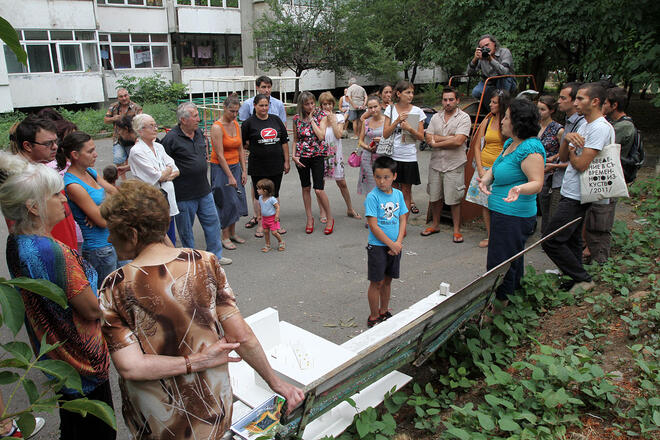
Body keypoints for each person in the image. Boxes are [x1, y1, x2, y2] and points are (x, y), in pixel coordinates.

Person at [98, 180, 304, 439]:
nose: (108, 237)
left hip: (159, 418)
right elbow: (241, 336)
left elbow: (131, 368)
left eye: (112, 230)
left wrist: (193, 362)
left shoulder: (114, 286)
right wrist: (275, 382)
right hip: (212, 404)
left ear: (132, 234)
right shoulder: (205, 262)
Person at [0, 152, 114, 440]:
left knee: (74, 425)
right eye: (55, 195)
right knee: (97, 431)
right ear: (33, 207)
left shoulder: (17, 241)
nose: (64, 200)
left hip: (58, 356)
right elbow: (90, 309)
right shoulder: (51, 251)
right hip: (82, 362)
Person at [541, 83, 614, 293]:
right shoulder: (584, 125)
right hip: (570, 190)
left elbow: (581, 164)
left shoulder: (600, 127)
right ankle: (575, 278)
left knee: (551, 240)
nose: (575, 102)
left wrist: (573, 151)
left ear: (595, 101)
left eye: (580, 99)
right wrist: (568, 141)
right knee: (571, 239)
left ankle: (583, 279)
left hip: (579, 195)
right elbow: (564, 155)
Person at [477, 99, 545, 304]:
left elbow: (537, 183)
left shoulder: (531, 149)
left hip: (514, 217)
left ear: (518, 122)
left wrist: (519, 188)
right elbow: (499, 167)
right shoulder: (511, 143)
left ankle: (498, 308)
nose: (502, 121)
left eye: (506, 117)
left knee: (500, 264)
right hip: (502, 214)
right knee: (512, 260)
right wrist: (487, 179)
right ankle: (511, 302)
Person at [161, 102, 231, 265]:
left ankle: (216, 257)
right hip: (184, 194)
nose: (199, 119)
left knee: (213, 223)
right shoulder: (171, 138)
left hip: (204, 190)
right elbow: (164, 164)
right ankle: (190, 261)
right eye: (195, 116)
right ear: (183, 120)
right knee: (186, 231)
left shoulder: (198, 132)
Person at [58, 131, 119, 286]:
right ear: (75, 155)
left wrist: (100, 208)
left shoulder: (90, 172)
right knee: (106, 295)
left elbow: (117, 193)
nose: (96, 154)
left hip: (113, 242)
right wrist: (102, 212)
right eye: (90, 151)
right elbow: (103, 222)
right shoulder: (73, 185)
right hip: (99, 250)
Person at [583, 86, 636, 263]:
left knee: (600, 223)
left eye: (604, 103)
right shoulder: (611, 125)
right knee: (593, 220)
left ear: (614, 105)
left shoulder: (621, 127)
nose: (601, 106)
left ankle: (599, 261)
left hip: (608, 180)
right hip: (601, 178)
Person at [9, 115, 78, 250]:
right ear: (27, 145)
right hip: (49, 254)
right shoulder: (20, 181)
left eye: (55, 141)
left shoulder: (42, 169)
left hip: (64, 248)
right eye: (48, 143)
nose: (55, 147)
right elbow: (20, 230)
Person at [422, 87, 471, 243]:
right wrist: (447, 138)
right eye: (445, 100)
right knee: (435, 197)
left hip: (454, 164)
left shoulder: (464, 118)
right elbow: (428, 137)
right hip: (436, 163)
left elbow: (458, 141)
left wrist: (437, 142)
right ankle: (435, 224)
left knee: (454, 199)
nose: (448, 103)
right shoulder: (436, 117)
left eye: (451, 99)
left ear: (457, 100)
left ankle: (457, 230)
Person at [364, 156, 408, 328]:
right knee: (377, 282)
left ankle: (384, 311)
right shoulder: (372, 197)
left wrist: (398, 242)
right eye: (378, 177)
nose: (382, 181)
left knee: (388, 281)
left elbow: (403, 218)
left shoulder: (398, 194)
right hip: (378, 247)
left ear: (394, 176)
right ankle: (374, 315)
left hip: (395, 246)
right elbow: (373, 226)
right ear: (373, 176)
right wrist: (391, 244)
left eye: (386, 177)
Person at [465, 89, 511, 248]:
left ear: (502, 104)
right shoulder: (488, 120)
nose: (490, 105)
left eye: (494, 102)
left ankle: (502, 235)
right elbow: (477, 146)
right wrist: (479, 168)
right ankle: (491, 235)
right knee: (485, 203)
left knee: (500, 202)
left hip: (500, 169)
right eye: (490, 101)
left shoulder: (509, 122)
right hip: (483, 167)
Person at [241, 94, 290, 238]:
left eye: (266, 105)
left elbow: (284, 142)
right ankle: (261, 223)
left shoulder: (276, 120)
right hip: (258, 165)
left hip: (276, 164)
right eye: (261, 105)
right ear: (254, 106)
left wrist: (286, 161)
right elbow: (243, 144)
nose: (264, 108)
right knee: (260, 195)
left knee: (274, 194)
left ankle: (275, 223)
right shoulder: (248, 123)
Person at [128, 113, 180, 245]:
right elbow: (157, 176)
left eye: (155, 125)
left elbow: (176, 170)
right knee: (157, 241)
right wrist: (165, 173)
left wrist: (165, 174)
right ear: (140, 130)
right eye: (151, 126)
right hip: (151, 203)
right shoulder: (137, 151)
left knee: (170, 236)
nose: (155, 129)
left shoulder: (159, 147)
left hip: (167, 201)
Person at [383, 80, 426, 219]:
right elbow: (385, 134)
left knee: (406, 191)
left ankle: (403, 224)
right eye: (408, 92)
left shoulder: (417, 111)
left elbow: (421, 137)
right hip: (393, 155)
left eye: (412, 92)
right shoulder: (390, 109)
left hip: (409, 156)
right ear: (399, 93)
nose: (411, 95)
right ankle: (394, 221)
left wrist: (409, 128)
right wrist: (396, 122)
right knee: (394, 190)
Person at [292, 91, 334, 235]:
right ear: (301, 105)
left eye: (312, 103)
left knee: (319, 189)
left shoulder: (321, 116)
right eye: (307, 104)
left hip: (317, 155)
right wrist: (294, 155)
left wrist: (312, 121)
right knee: (305, 188)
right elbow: (296, 139)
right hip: (302, 157)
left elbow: (321, 136)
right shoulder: (296, 118)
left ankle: (329, 218)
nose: (310, 106)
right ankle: (309, 219)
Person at [210, 95, 248, 250]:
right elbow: (219, 154)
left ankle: (233, 232)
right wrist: (230, 176)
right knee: (225, 201)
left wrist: (244, 170)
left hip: (235, 166)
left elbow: (240, 148)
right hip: (221, 168)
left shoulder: (236, 124)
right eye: (231, 111)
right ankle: (224, 235)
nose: (234, 114)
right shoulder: (217, 127)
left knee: (237, 200)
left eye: (237, 112)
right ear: (224, 108)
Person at [318, 91, 361, 220]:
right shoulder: (318, 118)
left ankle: (350, 208)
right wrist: (326, 121)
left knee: (342, 183)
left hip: (336, 155)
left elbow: (338, 134)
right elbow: (321, 135)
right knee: (320, 185)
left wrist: (333, 120)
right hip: (322, 154)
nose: (327, 107)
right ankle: (322, 212)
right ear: (321, 106)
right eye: (324, 104)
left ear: (333, 104)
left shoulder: (340, 117)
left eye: (330, 104)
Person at [547, 82, 585, 221]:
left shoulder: (582, 124)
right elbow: (564, 155)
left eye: (563, 98)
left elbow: (578, 160)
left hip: (569, 183)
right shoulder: (569, 120)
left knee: (558, 224)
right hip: (560, 179)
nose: (559, 101)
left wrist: (555, 165)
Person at [536, 95, 564, 234]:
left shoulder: (558, 129)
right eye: (538, 109)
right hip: (532, 169)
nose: (539, 112)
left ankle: (545, 234)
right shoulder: (534, 126)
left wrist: (554, 157)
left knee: (545, 203)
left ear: (551, 110)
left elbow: (564, 151)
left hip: (548, 171)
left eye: (543, 109)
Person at [467, 34, 516, 101]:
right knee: (476, 92)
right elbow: (470, 74)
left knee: (502, 86)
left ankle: (501, 102)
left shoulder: (504, 52)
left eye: (487, 45)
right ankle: (490, 106)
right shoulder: (481, 56)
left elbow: (504, 72)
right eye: (483, 47)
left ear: (494, 43)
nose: (486, 49)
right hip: (489, 83)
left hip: (505, 80)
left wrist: (490, 59)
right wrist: (474, 59)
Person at [103, 88, 142, 168]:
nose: (124, 98)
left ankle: (136, 179)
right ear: (118, 98)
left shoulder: (136, 107)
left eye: (125, 95)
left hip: (132, 138)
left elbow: (142, 122)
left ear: (129, 95)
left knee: (136, 160)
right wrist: (114, 118)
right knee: (119, 159)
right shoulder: (113, 107)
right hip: (118, 138)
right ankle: (123, 180)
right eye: (121, 96)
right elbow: (106, 120)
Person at [357, 96, 384, 197]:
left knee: (383, 185)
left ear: (380, 106)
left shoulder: (387, 121)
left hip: (383, 157)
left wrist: (383, 141)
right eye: (370, 108)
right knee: (370, 187)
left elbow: (393, 139)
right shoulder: (366, 122)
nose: (373, 110)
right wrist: (367, 147)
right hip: (368, 157)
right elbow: (360, 140)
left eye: (375, 106)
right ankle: (371, 210)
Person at [256, 178, 285, 252]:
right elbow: (260, 207)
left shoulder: (272, 199)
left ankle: (281, 242)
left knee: (274, 232)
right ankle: (267, 245)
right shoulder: (260, 198)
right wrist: (259, 215)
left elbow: (277, 207)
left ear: (265, 191)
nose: (257, 190)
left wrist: (277, 216)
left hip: (272, 219)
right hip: (264, 219)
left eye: (259, 189)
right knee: (266, 232)